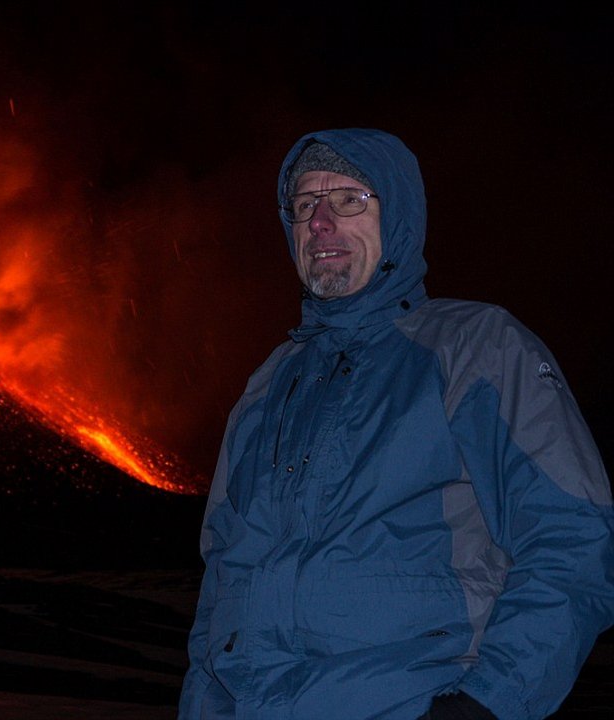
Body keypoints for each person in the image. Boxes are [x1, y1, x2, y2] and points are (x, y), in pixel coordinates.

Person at [178, 128, 614, 720]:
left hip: (405, 702)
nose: (321, 222)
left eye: (350, 199)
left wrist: (488, 705)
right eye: (306, 204)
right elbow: (224, 575)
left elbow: (573, 538)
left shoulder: (475, 348)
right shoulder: (270, 383)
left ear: (399, 217)